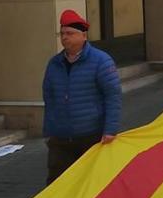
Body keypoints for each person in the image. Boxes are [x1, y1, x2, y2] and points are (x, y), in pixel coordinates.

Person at [43, 10, 121, 185]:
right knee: (57, 184)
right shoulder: (54, 63)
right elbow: (49, 98)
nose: (65, 38)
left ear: (83, 35)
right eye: (62, 34)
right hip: (60, 138)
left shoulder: (101, 61)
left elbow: (113, 96)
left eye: (70, 33)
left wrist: (110, 130)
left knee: (90, 183)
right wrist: (49, 131)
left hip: (90, 135)